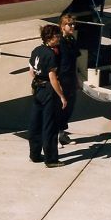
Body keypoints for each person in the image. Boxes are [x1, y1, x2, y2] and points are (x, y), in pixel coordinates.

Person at [28, 24, 67, 168]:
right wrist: (62, 96)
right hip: (48, 91)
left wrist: (37, 80)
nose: (59, 38)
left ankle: (35, 154)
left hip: (37, 89)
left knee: (35, 124)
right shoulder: (51, 55)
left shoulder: (36, 50)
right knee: (49, 126)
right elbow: (53, 78)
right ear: (49, 38)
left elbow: (31, 71)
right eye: (57, 36)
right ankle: (51, 159)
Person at [57, 14, 82, 147]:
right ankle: (55, 136)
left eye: (73, 24)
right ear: (62, 26)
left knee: (69, 107)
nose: (72, 26)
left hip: (71, 78)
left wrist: (77, 79)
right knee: (60, 107)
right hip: (61, 79)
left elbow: (75, 61)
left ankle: (62, 134)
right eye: (69, 24)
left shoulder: (72, 39)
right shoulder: (58, 42)